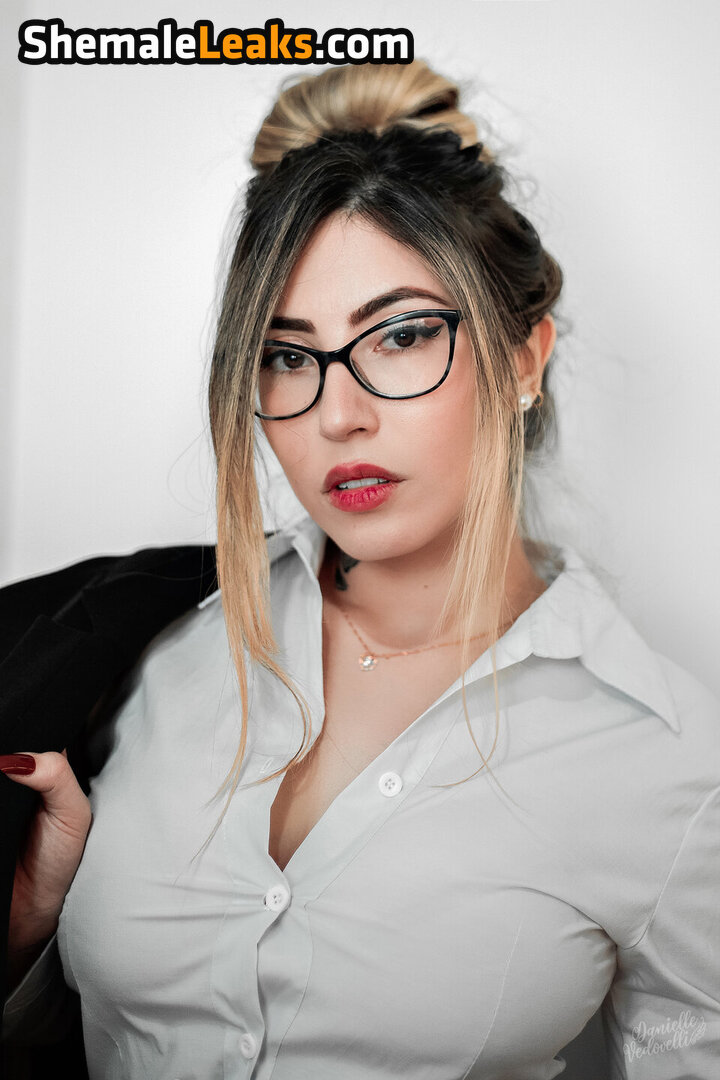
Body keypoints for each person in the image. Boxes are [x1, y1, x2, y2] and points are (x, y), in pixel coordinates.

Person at [1, 58, 718, 1080]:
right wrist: (24, 929)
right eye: (288, 355)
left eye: (403, 336)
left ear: (523, 359)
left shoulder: (669, 762)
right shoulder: (134, 647)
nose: (339, 414)